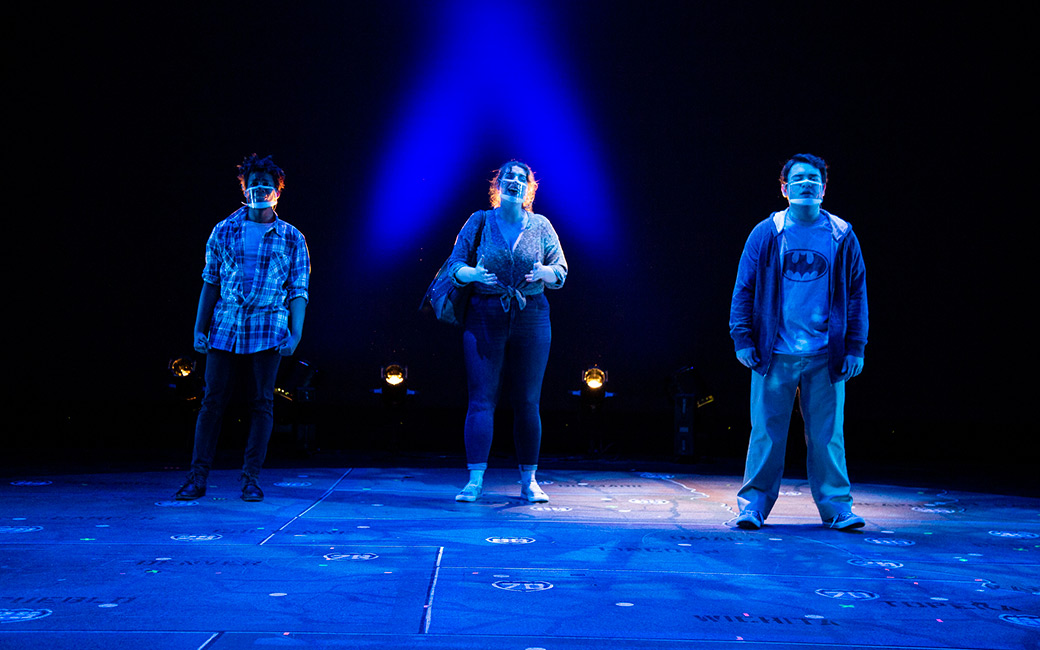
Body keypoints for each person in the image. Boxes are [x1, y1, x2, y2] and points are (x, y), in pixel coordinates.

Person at [729, 153, 868, 530]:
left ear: (824, 187)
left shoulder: (841, 234)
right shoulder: (767, 232)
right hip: (775, 352)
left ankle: (837, 508)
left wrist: (855, 346)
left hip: (826, 353)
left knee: (827, 436)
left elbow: (856, 295)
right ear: (784, 187)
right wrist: (742, 337)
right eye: (798, 178)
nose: (806, 183)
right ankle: (753, 506)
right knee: (766, 434)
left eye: (813, 178)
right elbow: (745, 288)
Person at [174, 154, 310, 502]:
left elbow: (298, 290)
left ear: (278, 191)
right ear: (244, 188)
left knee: (262, 402)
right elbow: (210, 282)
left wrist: (295, 333)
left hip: (268, 324)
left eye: (267, 186)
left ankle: (251, 478)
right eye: (254, 185)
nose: (260, 191)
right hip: (226, 324)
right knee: (212, 401)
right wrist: (198, 328)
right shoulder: (224, 230)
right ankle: (197, 476)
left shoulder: (292, 237)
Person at [445, 161, 568, 503]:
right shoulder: (480, 221)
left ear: (529, 189)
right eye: (507, 177)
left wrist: (544, 272)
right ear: (497, 185)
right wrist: (473, 275)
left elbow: (561, 270)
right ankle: (474, 480)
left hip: (531, 316)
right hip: (485, 313)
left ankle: (529, 481)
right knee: (482, 398)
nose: (513, 181)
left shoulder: (541, 225)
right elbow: (455, 265)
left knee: (528, 401)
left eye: (521, 178)